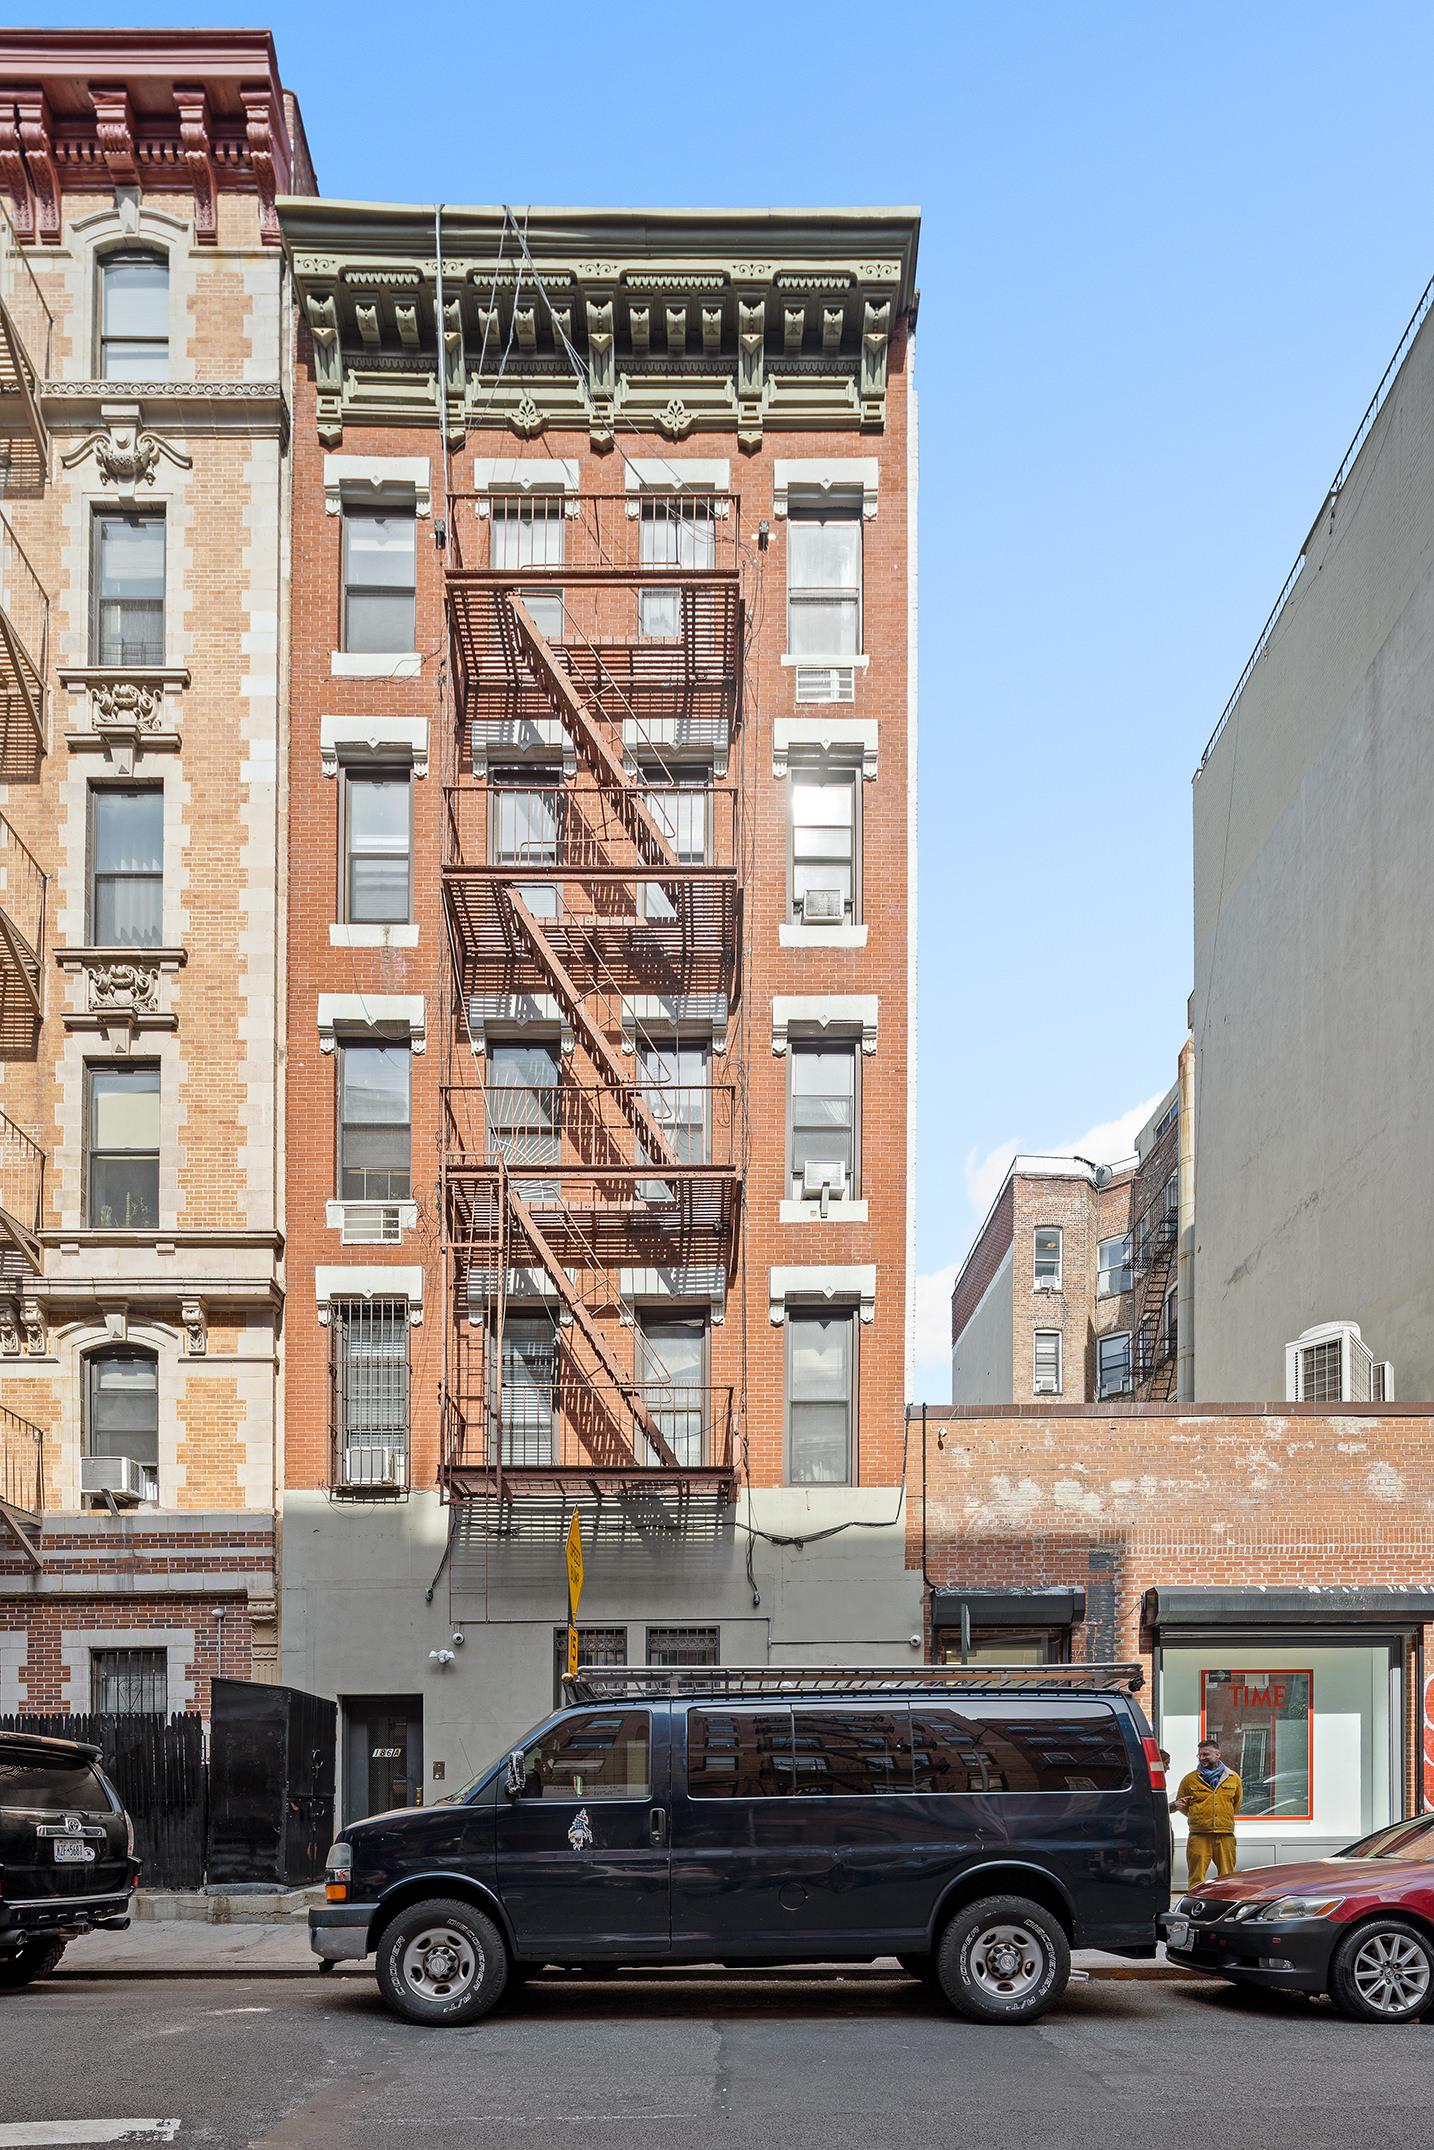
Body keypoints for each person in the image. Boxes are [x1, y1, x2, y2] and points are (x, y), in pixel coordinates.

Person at [1173, 1736, 1242, 1889]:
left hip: (1225, 1835)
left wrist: (1222, 1817)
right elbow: (1182, 1805)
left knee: (1227, 1877)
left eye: (1206, 1754)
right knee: (1196, 1878)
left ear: (1218, 1755)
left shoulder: (1233, 1778)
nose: (1202, 1758)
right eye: (1200, 1755)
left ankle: (1225, 1906)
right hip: (1199, 1835)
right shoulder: (1190, 1779)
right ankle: (1195, 1908)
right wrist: (1199, 1816)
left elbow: (1236, 1804)